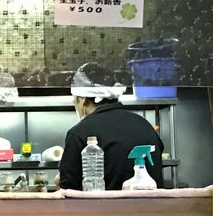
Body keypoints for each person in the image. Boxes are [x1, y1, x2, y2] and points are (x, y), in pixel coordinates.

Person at [59, 62, 166, 191]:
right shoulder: (146, 126)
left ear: (82, 99)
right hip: (155, 204)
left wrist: (60, 181)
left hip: (105, 205)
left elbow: (69, 192)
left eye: (75, 99)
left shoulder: (79, 133)